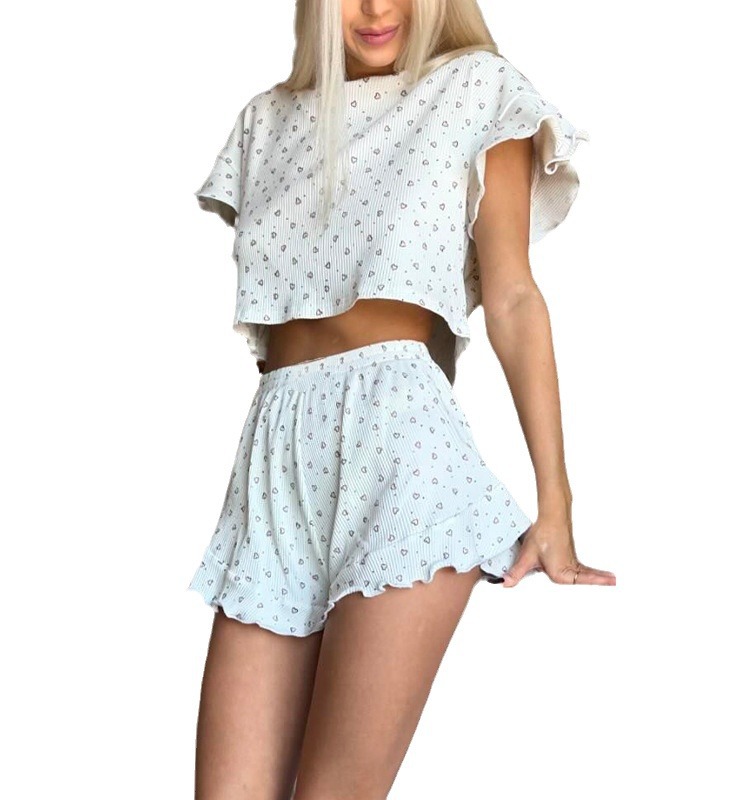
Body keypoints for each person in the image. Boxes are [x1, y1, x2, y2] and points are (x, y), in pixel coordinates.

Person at [187, 1, 616, 797]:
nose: (378, 7)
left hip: (400, 450)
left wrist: (555, 505)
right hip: (275, 464)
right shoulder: (265, 122)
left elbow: (514, 298)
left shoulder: (477, 89)